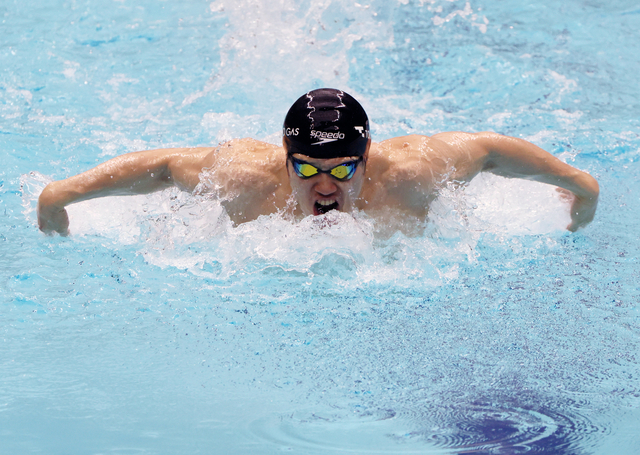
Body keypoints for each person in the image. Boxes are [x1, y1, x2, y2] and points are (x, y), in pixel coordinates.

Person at [37, 88, 599, 236]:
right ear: (284, 160)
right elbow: (162, 167)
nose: (324, 184)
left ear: (367, 158)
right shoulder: (243, 178)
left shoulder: (413, 171)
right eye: (305, 168)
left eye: (341, 169)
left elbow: (492, 150)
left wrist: (578, 185)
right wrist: (62, 193)